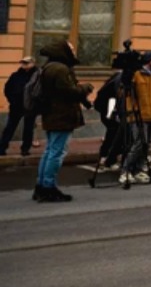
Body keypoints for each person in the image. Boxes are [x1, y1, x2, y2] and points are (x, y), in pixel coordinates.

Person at [34, 40, 94, 203]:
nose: (74, 51)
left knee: (50, 151)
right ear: (63, 50)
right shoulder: (60, 69)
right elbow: (70, 92)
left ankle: (41, 186)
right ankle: (48, 187)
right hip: (61, 116)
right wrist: (87, 87)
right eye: (71, 49)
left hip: (52, 114)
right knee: (56, 153)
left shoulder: (49, 66)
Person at [119, 51, 151, 186]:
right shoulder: (137, 74)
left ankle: (139, 169)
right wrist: (131, 111)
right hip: (139, 115)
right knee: (139, 143)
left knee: (147, 143)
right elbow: (126, 92)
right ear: (148, 60)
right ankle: (125, 170)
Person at [1, 55, 37, 157]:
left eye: (26, 63)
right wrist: (12, 100)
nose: (24, 65)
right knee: (10, 127)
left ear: (32, 63)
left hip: (30, 106)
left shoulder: (36, 76)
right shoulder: (15, 75)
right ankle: (2, 148)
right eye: (23, 63)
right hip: (16, 106)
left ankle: (25, 149)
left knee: (28, 129)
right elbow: (7, 89)